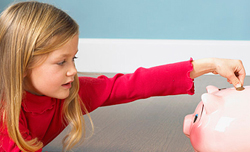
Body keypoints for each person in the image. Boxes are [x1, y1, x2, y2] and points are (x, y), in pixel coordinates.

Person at [0, 1, 245, 152]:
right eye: (60, 61)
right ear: (21, 66)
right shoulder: (5, 118)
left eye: (73, 58)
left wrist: (211, 64)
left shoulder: (69, 92)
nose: (73, 70)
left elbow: (134, 84)